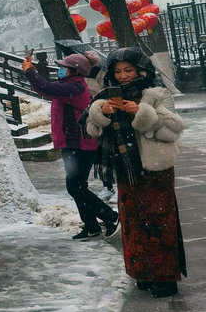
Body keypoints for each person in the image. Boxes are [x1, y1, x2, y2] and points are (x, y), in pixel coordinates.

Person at [85, 48, 186, 298]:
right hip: (125, 171)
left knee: (160, 223)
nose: (123, 76)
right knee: (134, 224)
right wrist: (101, 113)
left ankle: (164, 277)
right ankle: (142, 272)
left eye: (128, 70)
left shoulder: (157, 93)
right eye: (118, 71)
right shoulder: (106, 96)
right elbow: (91, 130)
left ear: (141, 70)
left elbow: (173, 130)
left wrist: (140, 113)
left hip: (155, 170)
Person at [23, 52, 119, 240]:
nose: (60, 69)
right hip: (73, 144)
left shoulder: (74, 87)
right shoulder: (68, 85)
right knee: (77, 186)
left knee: (76, 188)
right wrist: (32, 71)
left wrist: (29, 72)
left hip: (80, 144)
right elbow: (46, 87)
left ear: (73, 71)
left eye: (63, 67)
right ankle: (91, 226)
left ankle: (111, 217)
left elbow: (45, 87)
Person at [82, 49, 115, 200]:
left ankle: (114, 186)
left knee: (111, 155)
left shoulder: (105, 74)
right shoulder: (83, 76)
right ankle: (107, 186)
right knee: (102, 155)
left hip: (108, 114)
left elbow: (106, 92)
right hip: (96, 116)